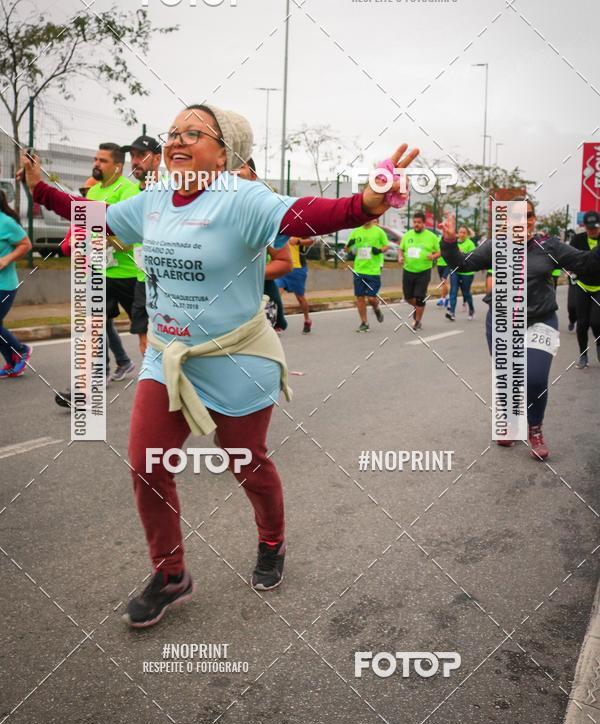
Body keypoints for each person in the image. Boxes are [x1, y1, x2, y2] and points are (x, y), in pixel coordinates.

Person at [20, 107, 418, 628]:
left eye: (193, 133)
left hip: (236, 356)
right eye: (173, 133)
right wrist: (39, 187)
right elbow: (88, 215)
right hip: (168, 356)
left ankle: (272, 541)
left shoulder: (243, 199)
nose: (176, 141)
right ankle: (170, 575)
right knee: (148, 465)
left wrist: (366, 202)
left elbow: (310, 215)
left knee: (247, 462)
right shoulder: (155, 199)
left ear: (224, 152)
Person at [440, 201, 600, 460]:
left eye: (527, 216)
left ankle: (534, 429)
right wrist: (448, 242)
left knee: (535, 378)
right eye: (516, 216)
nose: (522, 221)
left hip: (540, 320)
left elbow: (587, 263)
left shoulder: (549, 246)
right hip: (502, 322)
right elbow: (461, 264)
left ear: (534, 220)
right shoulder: (495, 247)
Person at [87, 143, 140, 381]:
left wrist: (103, 242)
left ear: (117, 167)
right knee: (96, 321)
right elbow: (86, 231)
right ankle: (97, 374)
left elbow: (129, 239)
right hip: (101, 270)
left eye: (103, 160)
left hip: (129, 274)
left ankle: (154, 372)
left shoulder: (129, 191)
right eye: (96, 159)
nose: (96, 164)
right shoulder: (92, 193)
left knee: (146, 329)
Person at [237, 159, 292, 332]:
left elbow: (284, 262)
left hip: (258, 300)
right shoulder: (205, 210)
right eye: (226, 167)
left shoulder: (263, 213)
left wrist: (242, 274)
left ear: (253, 176)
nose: (233, 172)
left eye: (239, 166)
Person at [122, 135, 162, 356]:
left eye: (141, 155)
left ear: (157, 159)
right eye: (132, 156)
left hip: (168, 279)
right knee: (145, 342)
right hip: (141, 278)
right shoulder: (129, 193)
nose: (135, 161)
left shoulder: (170, 190)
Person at [0, 189, 32, 378]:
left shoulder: (6, 222)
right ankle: (13, 361)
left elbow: (26, 244)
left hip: (4, 285)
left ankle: (20, 351)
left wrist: (6, 259)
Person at [398, 211, 440, 330]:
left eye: (419, 222)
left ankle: (417, 321)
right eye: (415, 222)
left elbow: (439, 252)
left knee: (420, 297)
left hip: (424, 271)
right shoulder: (407, 235)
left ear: (424, 223)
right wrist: (400, 257)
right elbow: (401, 249)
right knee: (408, 297)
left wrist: (433, 256)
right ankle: (419, 306)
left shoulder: (432, 236)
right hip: (408, 270)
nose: (416, 224)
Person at [345, 219, 389, 332]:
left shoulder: (378, 231)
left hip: (373, 270)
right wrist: (349, 245)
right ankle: (364, 323)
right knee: (360, 297)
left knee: (371, 298)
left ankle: (376, 308)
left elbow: (386, 246)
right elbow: (346, 249)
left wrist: (378, 250)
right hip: (359, 269)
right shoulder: (356, 231)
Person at [569, 211, 600, 369]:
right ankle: (583, 354)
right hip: (582, 286)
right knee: (582, 323)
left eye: (595, 228)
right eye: (589, 228)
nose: (593, 231)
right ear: (584, 227)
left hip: (599, 288)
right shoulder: (578, 240)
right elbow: (571, 260)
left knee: (596, 321)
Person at [276, 237, 314, 333]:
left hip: (297, 269)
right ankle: (277, 323)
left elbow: (311, 241)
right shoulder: (281, 229)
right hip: (282, 267)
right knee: (276, 296)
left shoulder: (300, 228)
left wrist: (299, 241)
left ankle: (307, 320)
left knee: (300, 298)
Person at [445, 226, 476, 321]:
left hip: (467, 272)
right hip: (455, 270)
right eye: (460, 232)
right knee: (453, 290)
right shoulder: (454, 243)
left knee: (466, 293)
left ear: (467, 234)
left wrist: (463, 254)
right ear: (457, 233)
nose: (462, 234)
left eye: (464, 233)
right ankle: (452, 313)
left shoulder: (470, 244)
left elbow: (474, 258)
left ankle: (471, 309)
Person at [436, 234, 450, 308]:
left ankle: (442, 299)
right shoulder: (438, 239)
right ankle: (447, 297)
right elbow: (435, 250)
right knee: (443, 282)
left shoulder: (451, 240)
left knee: (444, 280)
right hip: (439, 264)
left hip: (448, 264)